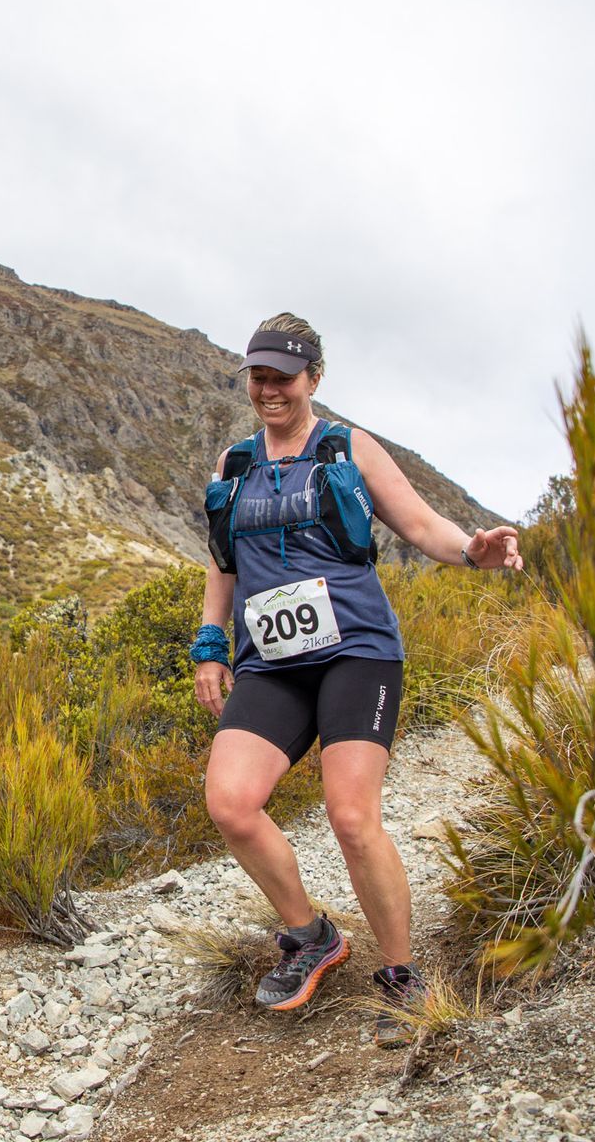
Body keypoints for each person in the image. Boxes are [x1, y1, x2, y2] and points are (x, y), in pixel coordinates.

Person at [191, 312, 521, 1047]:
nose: (269, 388)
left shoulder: (348, 446)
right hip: (271, 663)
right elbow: (224, 563)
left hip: (356, 653)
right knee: (231, 803)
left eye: (284, 375)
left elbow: (421, 525)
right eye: (259, 375)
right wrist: (211, 642)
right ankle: (311, 935)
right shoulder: (234, 465)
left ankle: (403, 976)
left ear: (314, 378)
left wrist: (473, 549)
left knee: (350, 817)